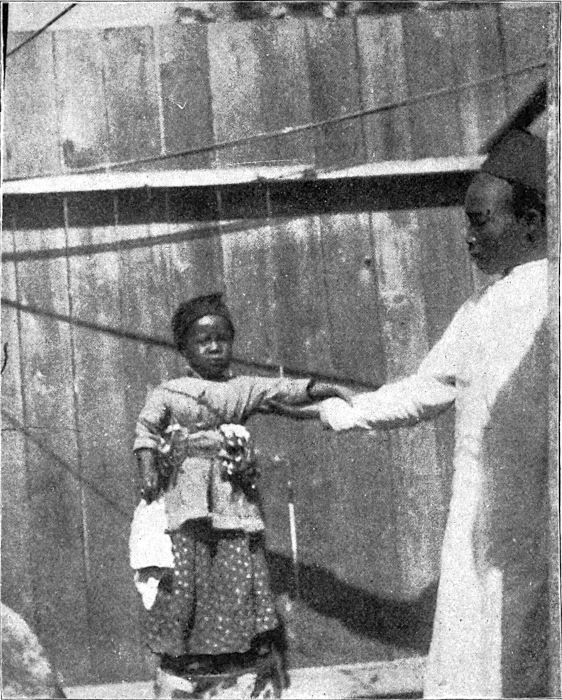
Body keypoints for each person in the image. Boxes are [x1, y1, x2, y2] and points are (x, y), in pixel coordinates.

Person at [305, 129, 550, 698]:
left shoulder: (552, 298)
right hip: (482, 513)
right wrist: (339, 410)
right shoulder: (479, 309)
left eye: (481, 221)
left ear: (532, 222)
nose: (469, 237)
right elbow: (424, 390)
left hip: (544, 509)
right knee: (476, 646)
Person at [132, 293, 347, 697]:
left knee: (236, 567)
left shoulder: (243, 388)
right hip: (188, 501)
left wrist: (321, 388)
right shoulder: (169, 392)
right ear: (184, 349)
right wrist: (147, 468)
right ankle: (190, 656)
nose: (214, 347)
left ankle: (239, 652)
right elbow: (146, 431)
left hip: (232, 494)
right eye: (203, 341)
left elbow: (282, 391)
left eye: (222, 339)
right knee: (191, 572)